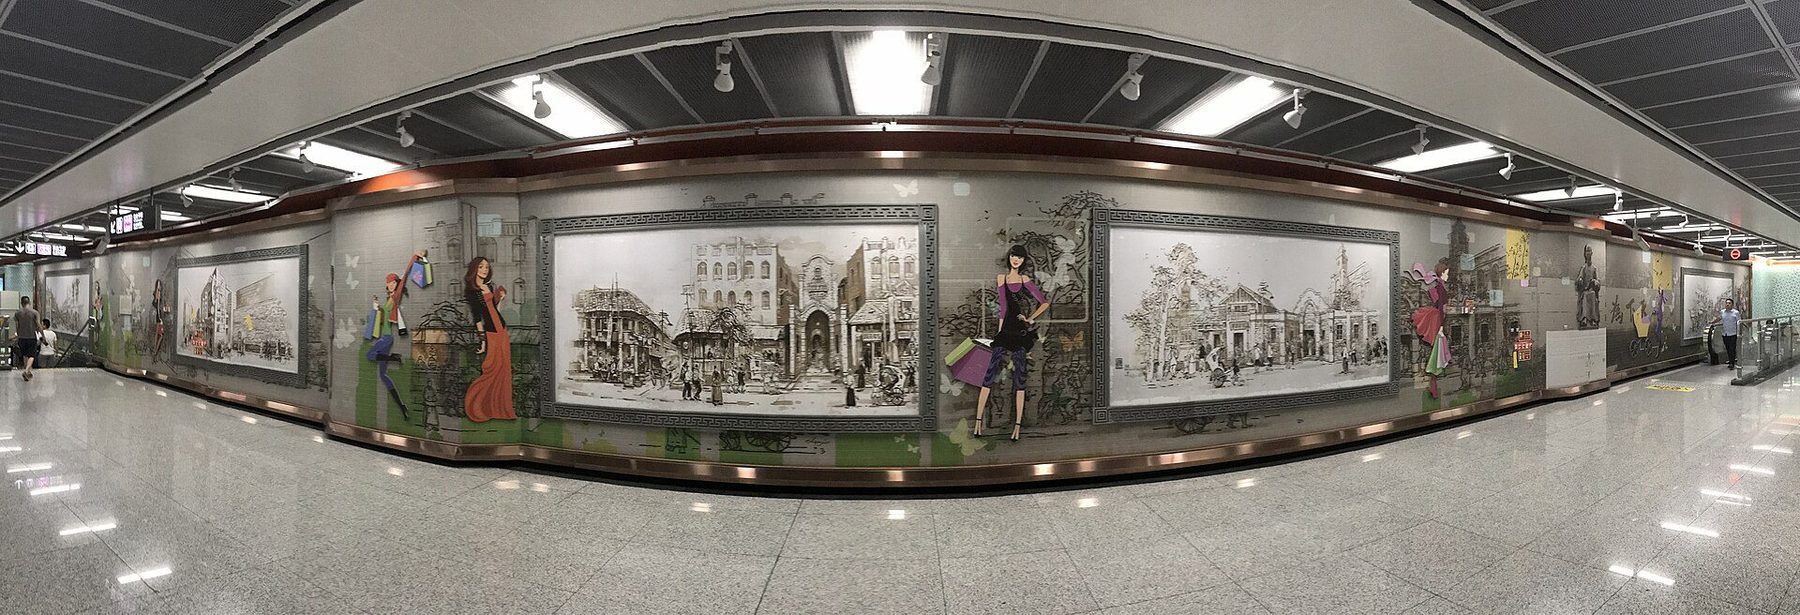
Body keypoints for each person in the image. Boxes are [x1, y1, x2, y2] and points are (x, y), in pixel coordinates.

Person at [974, 245, 1051, 441]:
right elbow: (1003, 307)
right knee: (989, 375)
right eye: (1013, 256)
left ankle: (1016, 427)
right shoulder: (1002, 279)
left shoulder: (1025, 280)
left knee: (1020, 377)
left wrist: (1031, 318)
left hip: (1020, 332)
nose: (1016, 260)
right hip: (1005, 331)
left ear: (1024, 261)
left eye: (1020, 257)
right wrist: (999, 332)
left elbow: (1044, 302)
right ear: (1009, 258)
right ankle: (978, 421)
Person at [369, 250, 425, 422]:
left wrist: (414, 257)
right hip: (384, 337)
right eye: (389, 283)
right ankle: (402, 407)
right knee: (383, 376)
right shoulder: (388, 300)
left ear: (396, 283)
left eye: (393, 282)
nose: (391, 285)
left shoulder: (396, 296)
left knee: (370, 355)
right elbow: (383, 319)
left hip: (387, 338)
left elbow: (406, 274)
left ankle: (394, 356)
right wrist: (377, 308)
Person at [464, 256, 517, 422]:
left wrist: (499, 299)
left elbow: (494, 310)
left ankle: (501, 410)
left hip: (501, 328)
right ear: (475, 269)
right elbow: (477, 317)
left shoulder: (489, 286)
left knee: (504, 369)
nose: (484, 270)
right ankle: (476, 404)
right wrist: (482, 339)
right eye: (481, 267)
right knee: (491, 367)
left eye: (486, 267)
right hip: (491, 332)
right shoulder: (471, 291)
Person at [15, 297, 39, 381]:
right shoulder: (35, 312)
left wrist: (18, 335)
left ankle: (28, 372)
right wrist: (42, 335)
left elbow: (17, 326)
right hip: (31, 337)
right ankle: (26, 371)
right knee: (32, 355)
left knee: (25, 355)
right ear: (30, 302)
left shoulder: (17, 313)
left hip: (21, 337)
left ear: (21, 303)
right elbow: (38, 325)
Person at [1718, 298, 1742, 369]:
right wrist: (1712, 322)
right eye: (1726, 303)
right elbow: (1719, 318)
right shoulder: (1722, 312)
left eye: (1729, 303)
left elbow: (1739, 323)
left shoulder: (1736, 313)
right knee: (1728, 348)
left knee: (1732, 348)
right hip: (1725, 333)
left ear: (1732, 304)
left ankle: (1732, 363)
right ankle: (1731, 360)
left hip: (1733, 333)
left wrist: (1740, 332)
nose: (1727, 304)